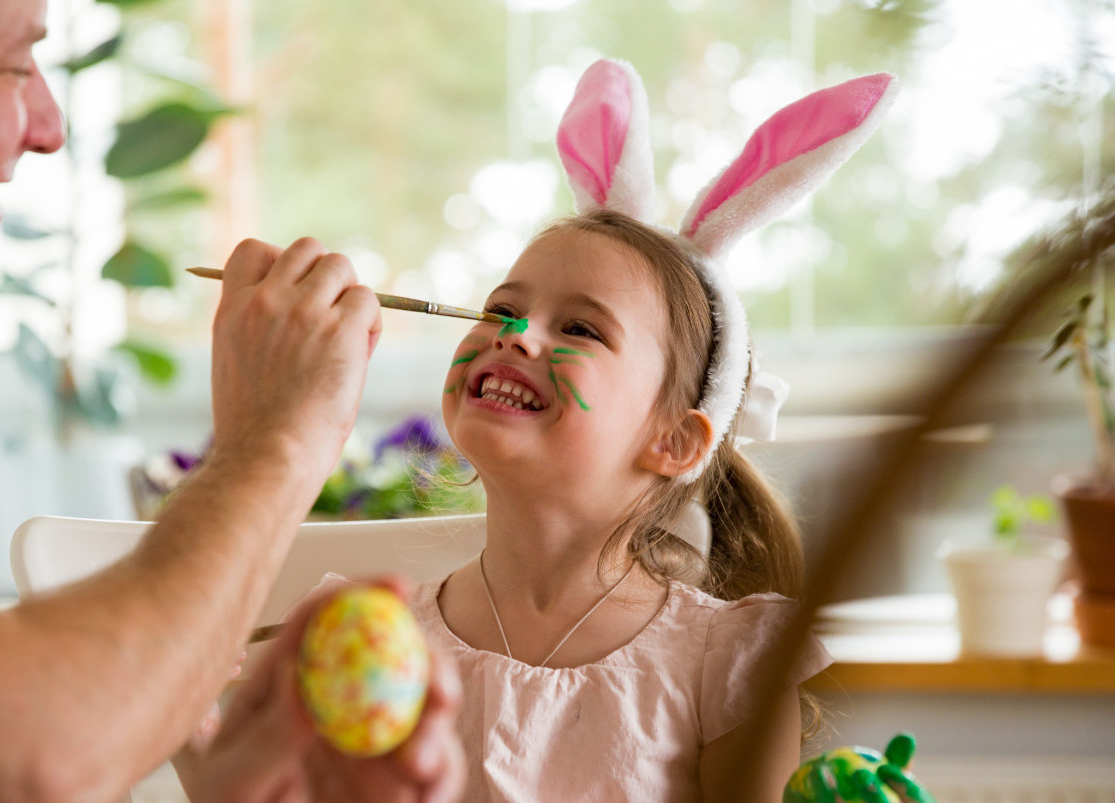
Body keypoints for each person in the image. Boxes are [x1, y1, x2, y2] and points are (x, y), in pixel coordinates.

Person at [0, 1, 464, 801]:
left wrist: (233, 789)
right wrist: (278, 439)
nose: (48, 127)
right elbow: (28, 747)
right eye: (13, 65)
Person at [284, 59, 898, 801]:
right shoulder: (374, 641)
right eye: (502, 308)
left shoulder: (726, 662)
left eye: (578, 326)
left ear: (674, 441)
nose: (514, 335)